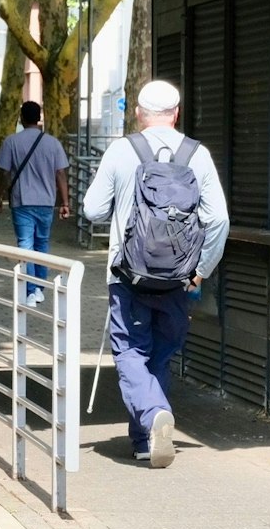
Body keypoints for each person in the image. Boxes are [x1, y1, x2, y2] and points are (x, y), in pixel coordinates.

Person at [83, 80, 229, 468]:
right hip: (178, 279)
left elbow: (92, 209)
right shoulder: (197, 155)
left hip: (127, 275)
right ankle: (145, 441)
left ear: (137, 112)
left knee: (131, 351)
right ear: (177, 112)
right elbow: (219, 220)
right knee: (159, 358)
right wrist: (200, 271)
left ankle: (151, 416)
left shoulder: (121, 149)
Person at [0, 101, 70, 305]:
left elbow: (4, 173)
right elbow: (61, 173)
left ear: (21, 118)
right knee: (42, 244)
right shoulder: (53, 143)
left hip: (21, 202)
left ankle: (31, 290)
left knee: (26, 245)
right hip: (46, 203)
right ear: (39, 118)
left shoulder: (12, 142)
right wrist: (65, 202)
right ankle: (39, 288)